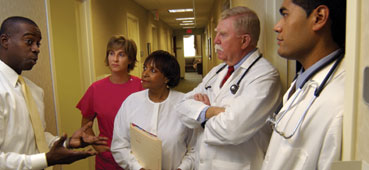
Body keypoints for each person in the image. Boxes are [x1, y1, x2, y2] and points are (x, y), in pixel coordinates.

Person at [0, 16, 107, 170]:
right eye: (29, 42)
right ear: (5, 41)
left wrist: (66, 142)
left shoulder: (33, 90)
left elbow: (35, 138)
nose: (36, 49)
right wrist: (46, 159)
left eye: (38, 43)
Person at [176, 6, 282, 170]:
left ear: (244, 40)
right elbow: (182, 106)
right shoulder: (217, 70)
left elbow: (231, 129)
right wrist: (210, 111)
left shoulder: (265, 76)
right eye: (217, 33)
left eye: (223, 34)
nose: (216, 40)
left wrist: (199, 115)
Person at [262, 0, 346, 169]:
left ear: (318, 18)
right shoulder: (305, 82)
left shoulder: (340, 102)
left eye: (285, 14)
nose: (277, 27)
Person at [111, 50, 196, 170]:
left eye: (153, 70)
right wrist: (136, 167)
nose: (144, 73)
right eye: (144, 68)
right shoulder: (131, 102)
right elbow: (119, 146)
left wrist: (183, 168)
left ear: (166, 78)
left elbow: (195, 148)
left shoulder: (184, 104)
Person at [76, 35, 143, 170]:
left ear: (130, 59)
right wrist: (98, 146)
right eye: (111, 53)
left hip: (137, 159)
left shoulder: (140, 87)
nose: (115, 59)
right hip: (107, 160)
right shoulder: (95, 89)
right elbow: (86, 123)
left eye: (121, 54)